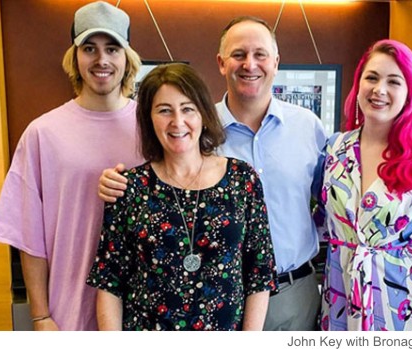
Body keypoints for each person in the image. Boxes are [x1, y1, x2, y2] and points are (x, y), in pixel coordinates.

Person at [98, 16, 326, 330]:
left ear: (276, 61)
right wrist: (112, 181)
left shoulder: (307, 127)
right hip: (183, 317)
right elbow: (113, 275)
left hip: (294, 291)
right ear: (221, 63)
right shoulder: (195, 132)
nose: (250, 64)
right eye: (238, 54)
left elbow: (329, 203)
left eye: (260, 54)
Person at [0, 1, 143, 330]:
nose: (101, 60)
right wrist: (41, 315)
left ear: (127, 58)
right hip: (67, 314)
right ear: (75, 56)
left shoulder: (153, 130)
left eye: (112, 49)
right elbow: (29, 236)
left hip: (141, 313)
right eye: (89, 48)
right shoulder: (43, 134)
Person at [86, 63, 276, 331]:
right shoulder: (130, 188)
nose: (177, 122)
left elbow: (259, 272)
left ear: (203, 114)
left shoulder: (241, 179)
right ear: (149, 118)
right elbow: (110, 281)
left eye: (188, 108)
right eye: (164, 110)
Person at [315, 39, 412, 331]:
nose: (379, 90)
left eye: (394, 81)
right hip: (339, 301)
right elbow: (318, 220)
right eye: (372, 77)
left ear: (410, 94)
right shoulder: (334, 149)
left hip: (400, 309)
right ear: (358, 85)